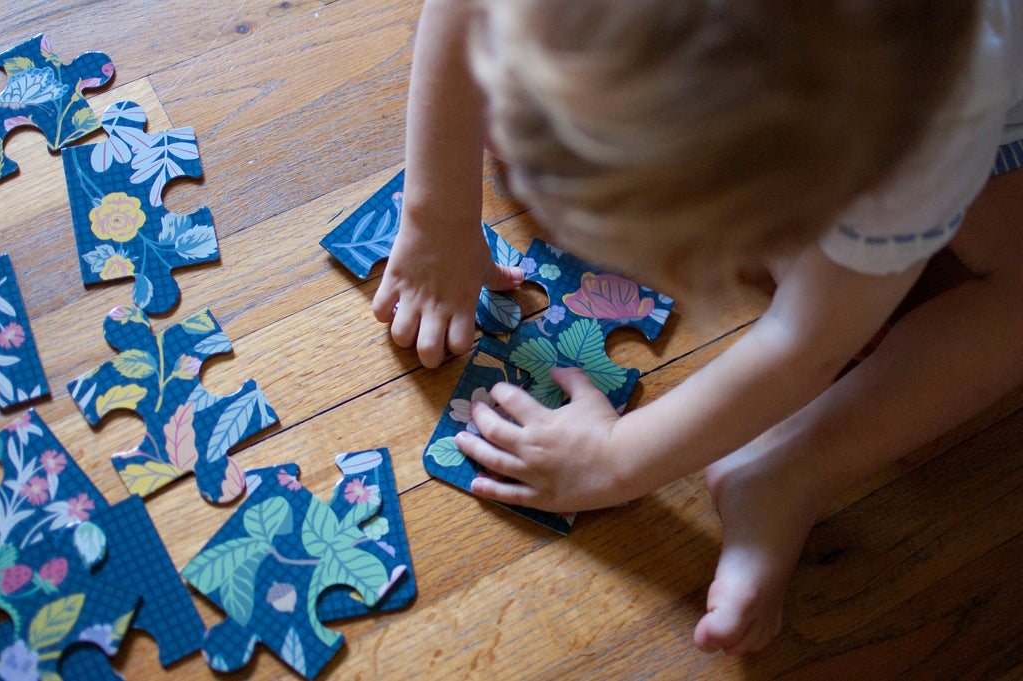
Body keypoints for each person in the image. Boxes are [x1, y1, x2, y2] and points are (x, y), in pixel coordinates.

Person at [373, 0, 1023, 655]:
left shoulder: (923, 138)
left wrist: (614, 460)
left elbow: (805, 343)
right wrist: (437, 216)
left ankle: (793, 468)